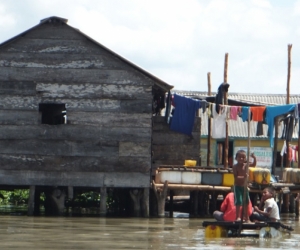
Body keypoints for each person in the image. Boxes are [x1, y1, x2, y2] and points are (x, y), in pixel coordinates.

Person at [232, 150, 256, 222]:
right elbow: (236, 178)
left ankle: (246, 217)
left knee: (246, 202)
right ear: (236, 158)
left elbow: (254, 165)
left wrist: (254, 158)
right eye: (239, 157)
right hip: (238, 187)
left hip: (245, 187)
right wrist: (244, 177)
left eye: (243, 157)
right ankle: (237, 217)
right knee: (238, 201)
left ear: (245, 159)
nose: (241, 159)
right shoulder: (235, 167)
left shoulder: (246, 165)